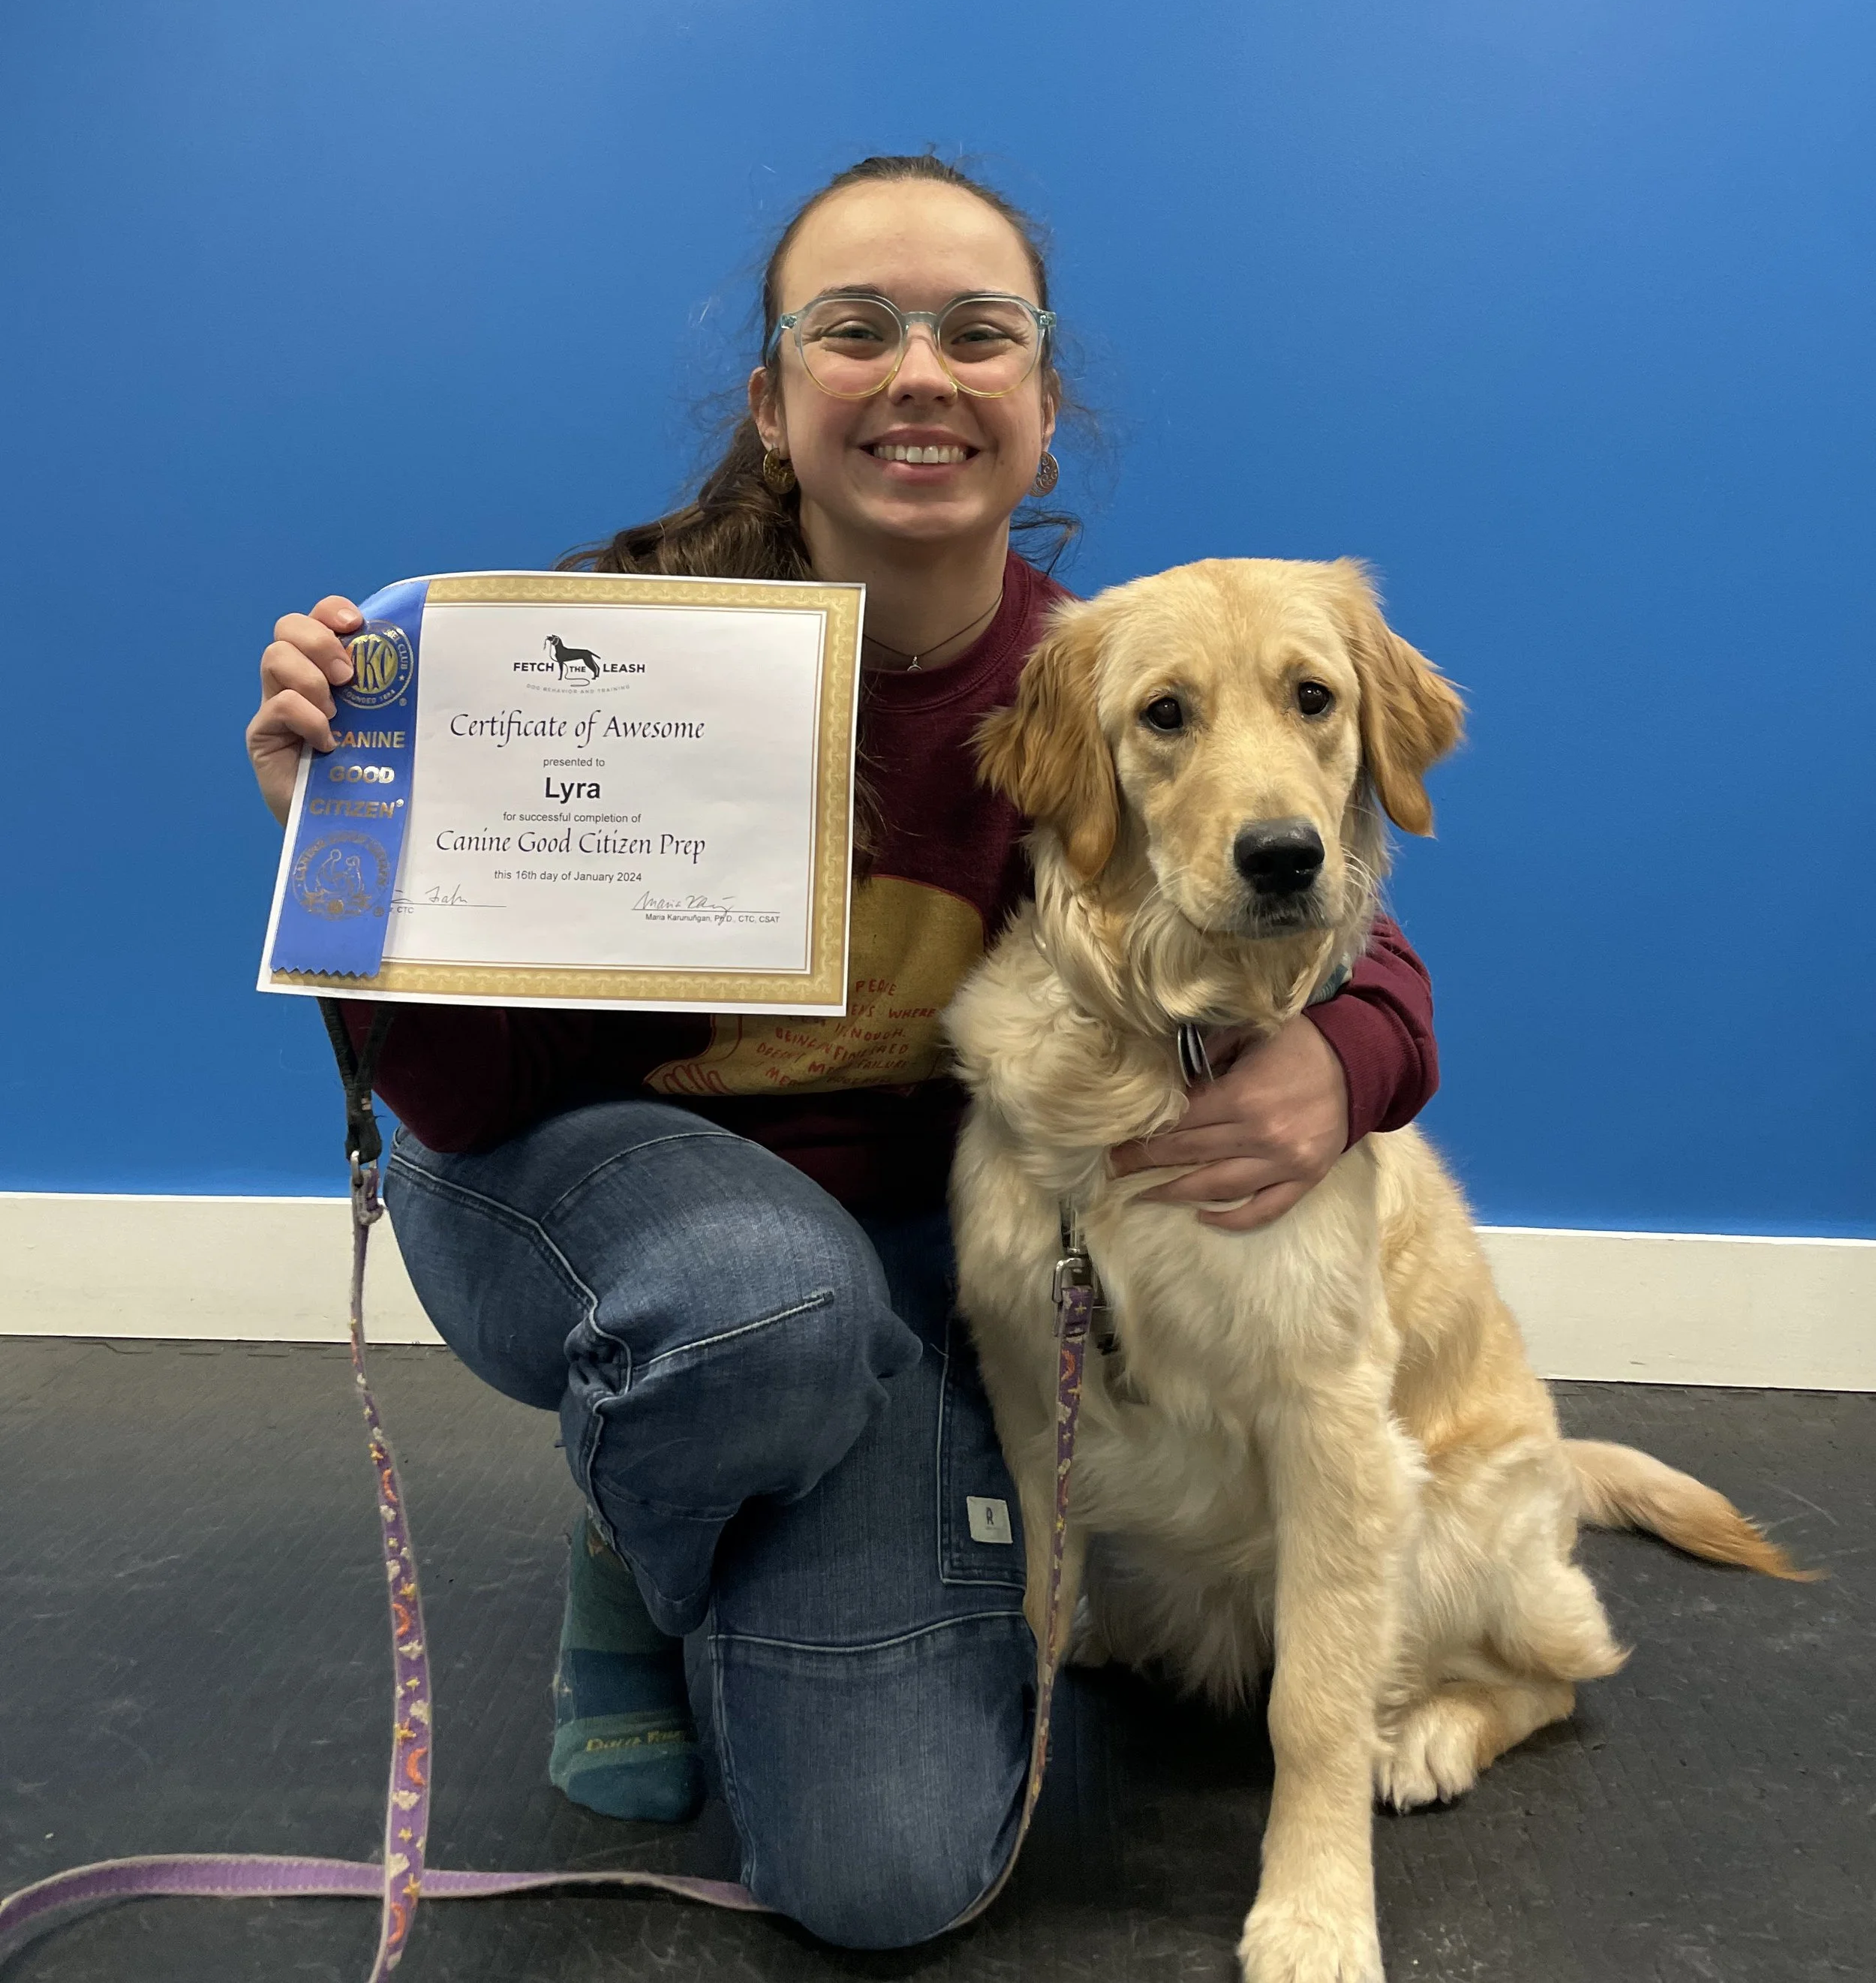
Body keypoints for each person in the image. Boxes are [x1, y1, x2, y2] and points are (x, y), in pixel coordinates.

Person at [245, 154, 1439, 1948]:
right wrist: (346, 840)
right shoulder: (600, 652)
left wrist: (1345, 1057)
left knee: (890, 1866)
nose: (917, 372)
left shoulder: (1112, 667)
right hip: (578, 1195)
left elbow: (1315, 892)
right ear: (769, 401)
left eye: (977, 333)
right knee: (760, 1305)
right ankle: (643, 1523)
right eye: (852, 328)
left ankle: (746, 1478)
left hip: (907, 1270)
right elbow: (478, 1100)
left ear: (1041, 411)